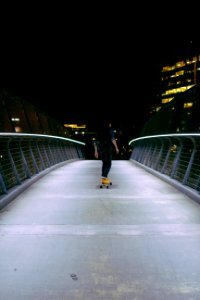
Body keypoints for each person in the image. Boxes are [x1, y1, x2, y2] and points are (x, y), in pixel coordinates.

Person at [93, 120, 119, 184]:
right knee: (109, 164)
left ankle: (104, 178)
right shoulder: (110, 130)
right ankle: (104, 176)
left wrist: (96, 151)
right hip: (108, 149)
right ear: (109, 124)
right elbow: (112, 139)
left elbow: (96, 142)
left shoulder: (99, 131)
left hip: (101, 149)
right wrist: (116, 147)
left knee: (104, 163)